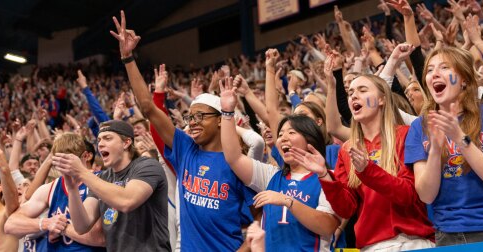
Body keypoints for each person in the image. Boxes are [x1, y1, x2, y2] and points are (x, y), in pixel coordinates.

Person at [111, 10, 253, 251]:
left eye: (201, 116)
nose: (193, 121)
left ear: (220, 120)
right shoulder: (185, 148)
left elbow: (259, 225)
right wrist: (128, 59)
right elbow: (147, 107)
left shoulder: (239, 163)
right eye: (190, 116)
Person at [307, 54, 434, 249]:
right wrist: (324, 176)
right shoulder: (347, 149)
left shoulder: (407, 135)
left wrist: (368, 171)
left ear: (382, 99)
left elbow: (409, 195)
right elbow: (346, 208)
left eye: (362, 90)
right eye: (350, 93)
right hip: (372, 246)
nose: (353, 96)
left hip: (412, 242)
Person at [406, 46, 483, 246]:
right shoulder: (420, 126)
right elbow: (426, 195)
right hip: (447, 235)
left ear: (464, 80)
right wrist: (434, 150)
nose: (435, 74)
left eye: (444, 67)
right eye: (430, 70)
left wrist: (459, 137)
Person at [222, 71, 340, 251]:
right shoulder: (271, 176)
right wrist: (227, 112)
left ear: (310, 140)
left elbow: (328, 226)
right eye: (281, 134)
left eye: (291, 133)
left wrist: (288, 201)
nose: (283, 138)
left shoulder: (327, 178)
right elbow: (234, 158)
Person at [54, 120, 170, 251]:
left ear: (126, 142)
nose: (101, 144)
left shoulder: (147, 166)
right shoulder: (103, 178)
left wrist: (82, 172)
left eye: (107, 138)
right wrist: (72, 188)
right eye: (99, 140)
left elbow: (127, 201)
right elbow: (81, 226)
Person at [5, 132, 106, 251]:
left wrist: (63, 228)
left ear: (84, 156)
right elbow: (10, 225)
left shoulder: (101, 180)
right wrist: (45, 224)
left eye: (68, 161)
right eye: (59, 162)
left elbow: (100, 238)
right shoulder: (51, 187)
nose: (64, 167)